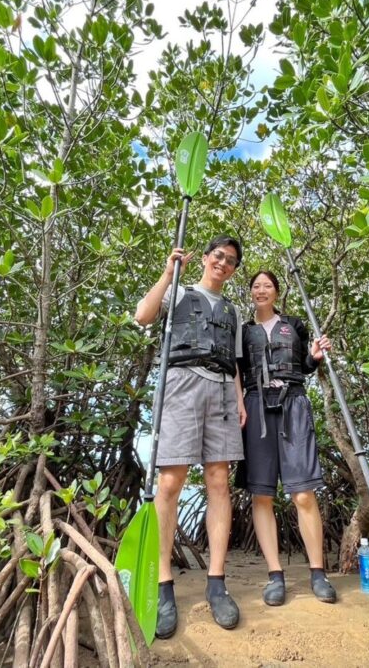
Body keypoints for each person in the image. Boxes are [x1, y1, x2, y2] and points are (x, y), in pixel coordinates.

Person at [134, 235, 248, 638]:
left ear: (234, 270)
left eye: (231, 261)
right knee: (171, 481)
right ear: (205, 258)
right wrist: (167, 272)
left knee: (219, 481)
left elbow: (233, 363)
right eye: (218, 256)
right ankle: (164, 586)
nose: (223, 263)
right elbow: (142, 316)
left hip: (220, 389)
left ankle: (216, 583)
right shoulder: (179, 289)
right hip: (181, 384)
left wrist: (239, 399)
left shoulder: (232, 311)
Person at [237, 270, 337, 606]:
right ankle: (275, 575)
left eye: (267, 285)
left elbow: (307, 366)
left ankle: (318, 573)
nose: (261, 290)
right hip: (255, 409)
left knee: (304, 495)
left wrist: (315, 356)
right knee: (261, 496)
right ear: (250, 293)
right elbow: (236, 374)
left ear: (277, 292)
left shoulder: (294, 325)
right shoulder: (243, 332)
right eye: (255, 286)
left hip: (293, 404)